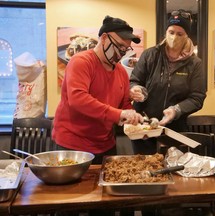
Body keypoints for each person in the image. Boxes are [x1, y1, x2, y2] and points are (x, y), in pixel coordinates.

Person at [52, 15, 144, 166]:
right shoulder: (81, 62)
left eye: (125, 49)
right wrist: (120, 114)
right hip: (74, 145)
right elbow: (78, 99)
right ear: (104, 38)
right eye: (119, 46)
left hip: (106, 144)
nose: (122, 53)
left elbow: (124, 103)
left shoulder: (121, 71)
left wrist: (134, 119)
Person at [129, 10, 207, 155]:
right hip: (144, 126)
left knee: (173, 169)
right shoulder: (150, 55)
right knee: (144, 169)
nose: (174, 37)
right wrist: (136, 89)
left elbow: (197, 97)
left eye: (179, 34)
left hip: (175, 129)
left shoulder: (195, 64)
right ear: (165, 32)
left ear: (187, 36)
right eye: (171, 32)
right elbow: (134, 81)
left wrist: (176, 110)